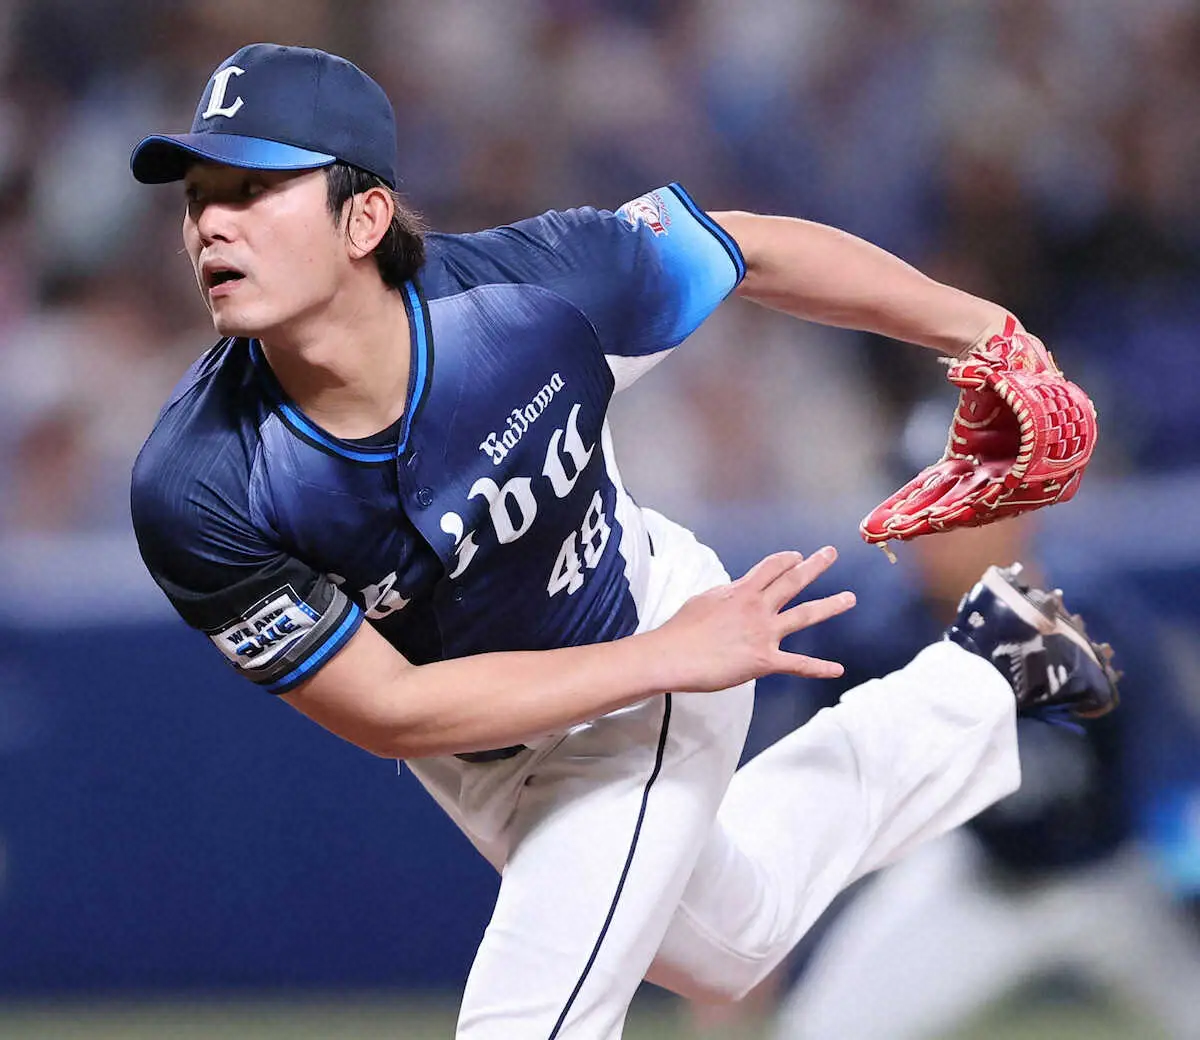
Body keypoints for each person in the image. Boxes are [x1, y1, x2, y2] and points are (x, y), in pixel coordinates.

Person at [128, 44, 1117, 1039]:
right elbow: (391, 707)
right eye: (198, 195)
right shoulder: (199, 483)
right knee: (735, 939)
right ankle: (992, 667)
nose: (210, 222)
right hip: (506, 730)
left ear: (365, 217)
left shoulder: (533, 295)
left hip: (645, 636)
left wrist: (988, 334)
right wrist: (665, 657)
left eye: (254, 188)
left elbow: (750, 250)